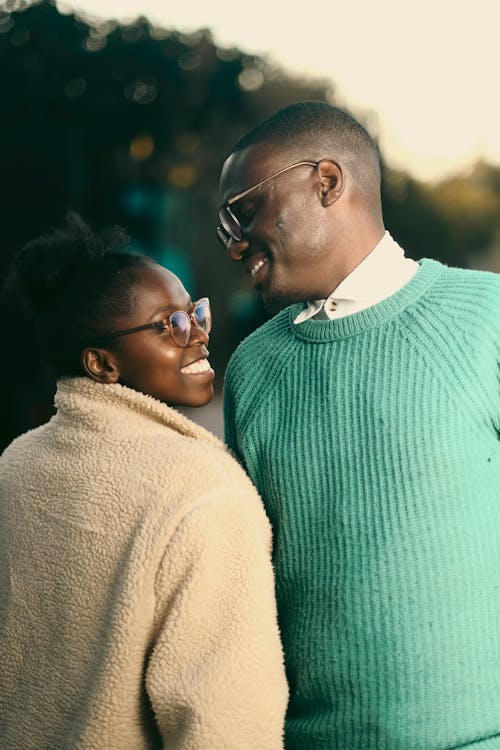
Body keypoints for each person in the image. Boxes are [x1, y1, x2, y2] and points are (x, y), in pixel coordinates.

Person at [218, 101, 500, 749]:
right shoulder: (254, 369)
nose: (234, 242)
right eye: (223, 226)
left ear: (326, 182)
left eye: (245, 210)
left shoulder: (488, 317)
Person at [0, 213, 288, 750]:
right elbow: (226, 724)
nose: (198, 336)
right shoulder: (202, 492)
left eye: (195, 313)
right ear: (101, 364)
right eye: (170, 325)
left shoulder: (14, 466)